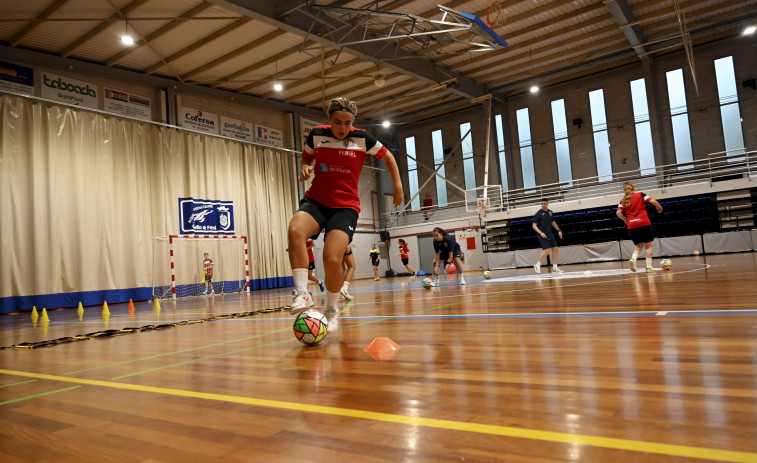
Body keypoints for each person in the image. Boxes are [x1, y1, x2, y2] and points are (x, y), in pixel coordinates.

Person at [287, 97, 403, 332]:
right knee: (295, 230)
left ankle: (331, 310)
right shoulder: (317, 135)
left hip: (345, 206)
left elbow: (388, 157)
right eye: (337, 122)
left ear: (353, 123)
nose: (342, 128)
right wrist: (305, 167)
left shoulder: (362, 139)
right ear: (329, 120)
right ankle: (302, 293)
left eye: (347, 123)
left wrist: (398, 185)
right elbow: (307, 156)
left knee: (331, 258)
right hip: (316, 200)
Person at [616, 182, 663, 272]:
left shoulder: (623, 200)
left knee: (638, 246)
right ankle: (649, 267)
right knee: (648, 246)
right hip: (644, 223)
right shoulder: (640, 195)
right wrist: (659, 206)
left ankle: (633, 259)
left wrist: (625, 220)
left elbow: (618, 213)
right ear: (633, 189)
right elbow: (652, 201)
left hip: (632, 225)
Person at [532, 199, 564, 274]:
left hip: (550, 233)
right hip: (542, 234)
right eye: (541, 204)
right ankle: (537, 265)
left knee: (556, 249)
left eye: (544, 204)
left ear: (547, 204)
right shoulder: (538, 213)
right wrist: (541, 233)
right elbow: (534, 225)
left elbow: (553, 222)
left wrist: (559, 230)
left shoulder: (550, 212)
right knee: (547, 250)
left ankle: (555, 268)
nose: (543, 205)